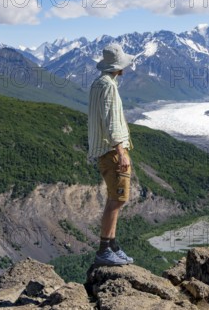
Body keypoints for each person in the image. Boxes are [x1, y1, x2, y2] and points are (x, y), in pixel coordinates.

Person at [88, 43, 135, 266]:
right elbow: (111, 120)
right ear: (117, 67)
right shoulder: (108, 87)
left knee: (114, 199)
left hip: (105, 151)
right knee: (117, 200)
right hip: (112, 151)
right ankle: (105, 248)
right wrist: (121, 151)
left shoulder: (98, 84)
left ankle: (113, 245)